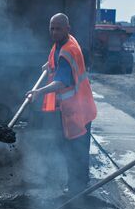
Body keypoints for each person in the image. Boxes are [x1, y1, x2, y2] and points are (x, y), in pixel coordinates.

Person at [27, 13, 97, 194]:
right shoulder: (64, 44)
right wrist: (49, 64)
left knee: (76, 150)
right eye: (52, 28)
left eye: (58, 28)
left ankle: (77, 192)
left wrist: (39, 92)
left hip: (77, 110)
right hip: (76, 108)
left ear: (68, 29)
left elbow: (62, 82)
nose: (54, 32)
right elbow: (56, 59)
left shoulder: (67, 51)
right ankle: (78, 185)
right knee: (72, 148)